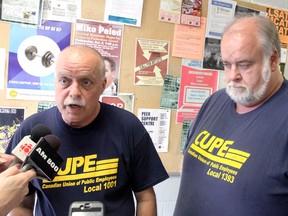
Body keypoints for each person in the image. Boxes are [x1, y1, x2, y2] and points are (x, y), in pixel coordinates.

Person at [6, 45, 169, 216]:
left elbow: (145, 197)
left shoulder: (128, 127)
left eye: (86, 82)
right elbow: (22, 203)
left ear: (103, 85)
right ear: (54, 82)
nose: (74, 92)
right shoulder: (31, 131)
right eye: (64, 81)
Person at [174, 15, 288, 215]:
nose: (232, 76)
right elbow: (189, 159)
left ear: (273, 60)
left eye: (244, 65)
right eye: (227, 64)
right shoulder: (215, 101)